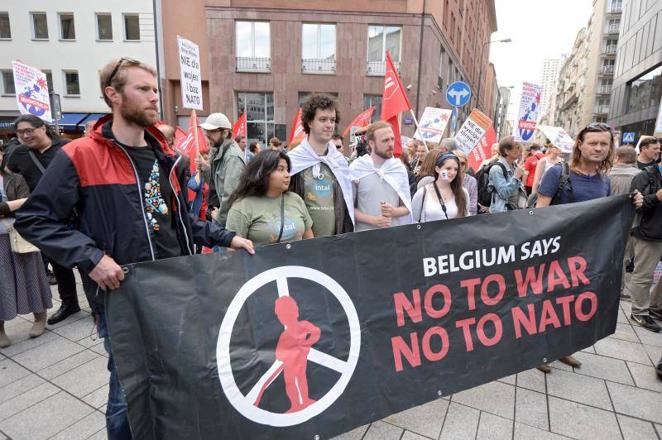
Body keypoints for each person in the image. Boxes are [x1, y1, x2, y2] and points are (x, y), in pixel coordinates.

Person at [14, 58, 254, 440]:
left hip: (176, 289)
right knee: (128, 392)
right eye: (143, 89)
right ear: (113, 95)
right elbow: (35, 220)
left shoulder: (165, 158)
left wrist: (225, 237)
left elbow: (177, 222)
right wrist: (92, 258)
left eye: (155, 89)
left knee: (178, 378)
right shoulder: (80, 155)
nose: (154, 97)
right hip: (122, 298)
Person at [536, 122, 644, 371]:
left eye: (603, 144)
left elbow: (603, 216)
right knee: (548, 303)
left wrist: (633, 202)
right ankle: (539, 351)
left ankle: (563, 348)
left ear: (610, 148)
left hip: (585, 256)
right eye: (593, 143)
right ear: (580, 145)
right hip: (556, 252)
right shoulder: (557, 173)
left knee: (572, 303)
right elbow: (539, 213)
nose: (598, 148)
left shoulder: (604, 181)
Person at [7, 114, 79, 325]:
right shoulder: (18, 154)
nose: (25, 136)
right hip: (46, 216)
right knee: (58, 263)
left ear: (43, 128)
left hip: (76, 212)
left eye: (29, 130)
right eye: (20, 133)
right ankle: (69, 303)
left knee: (85, 260)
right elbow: (9, 179)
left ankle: (97, 304)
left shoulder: (66, 147)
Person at [0, 146, 51, 347]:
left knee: (31, 275)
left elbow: (28, 203)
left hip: (20, 234)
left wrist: (8, 208)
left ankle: (40, 316)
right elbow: (19, 203)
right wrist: (11, 206)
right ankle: (0, 328)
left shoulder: (15, 178)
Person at [288, 94, 354, 237]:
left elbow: (347, 204)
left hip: (334, 244)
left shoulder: (339, 161)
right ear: (310, 122)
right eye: (323, 119)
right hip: (302, 245)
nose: (329, 124)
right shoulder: (292, 161)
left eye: (332, 120)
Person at [226, 150, 313, 245]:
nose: (287, 175)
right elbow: (233, 252)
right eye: (280, 169)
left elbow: (309, 241)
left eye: (287, 169)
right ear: (262, 173)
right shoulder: (242, 207)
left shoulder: (296, 199)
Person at [350, 121, 412, 231]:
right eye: (385, 140)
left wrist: (393, 211)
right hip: (364, 237)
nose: (390, 144)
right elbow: (348, 207)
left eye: (392, 139)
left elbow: (407, 207)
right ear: (371, 143)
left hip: (393, 238)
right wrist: (373, 220)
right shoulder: (358, 167)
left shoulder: (398, 168)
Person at [627, 156, 662, 332]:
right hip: (648, 233)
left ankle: (656, 308)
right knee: (644, 274)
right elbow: (634, 205)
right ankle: (639, 311)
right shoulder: (645, 175)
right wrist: (655, 197)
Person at [201, 113, 247, 227]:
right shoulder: (219, 151)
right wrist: (205, 168)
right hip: (222, 219)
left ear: (225, 133)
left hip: (227, 224)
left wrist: (220, 218)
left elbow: (231, 195)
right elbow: (215, 184)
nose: (207, 135)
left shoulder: (232, 158)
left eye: (212, 131)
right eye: (207, 131)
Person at [609, 145, 641, 299]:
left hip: (606, 220)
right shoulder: (640, 175)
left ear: (618, 157)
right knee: (624, 255)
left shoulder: (606, 173)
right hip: (630, 222)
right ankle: (619, 288)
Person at [411, 152, 470, 222]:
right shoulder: (423, 193)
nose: (453, 172)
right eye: (448, 168)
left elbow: (466, 220)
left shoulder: (463, 193)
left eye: (456, 169)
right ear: (437, 169)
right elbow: (414, 221)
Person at [488, 136, 527, 213]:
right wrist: (516, 177)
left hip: (514, 212)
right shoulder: (497, 169)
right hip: (501, 214)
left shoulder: (515, 166)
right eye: (517, 147)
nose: (520, 150)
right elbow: (504, 193)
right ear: (506, 151)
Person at [454, 150, 478, 215]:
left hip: (466, 218)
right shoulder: (448, 179)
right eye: (457, 162)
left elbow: (473, 206)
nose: (460, 166)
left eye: (462, 163)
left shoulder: (472, 181)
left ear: (466, 164)